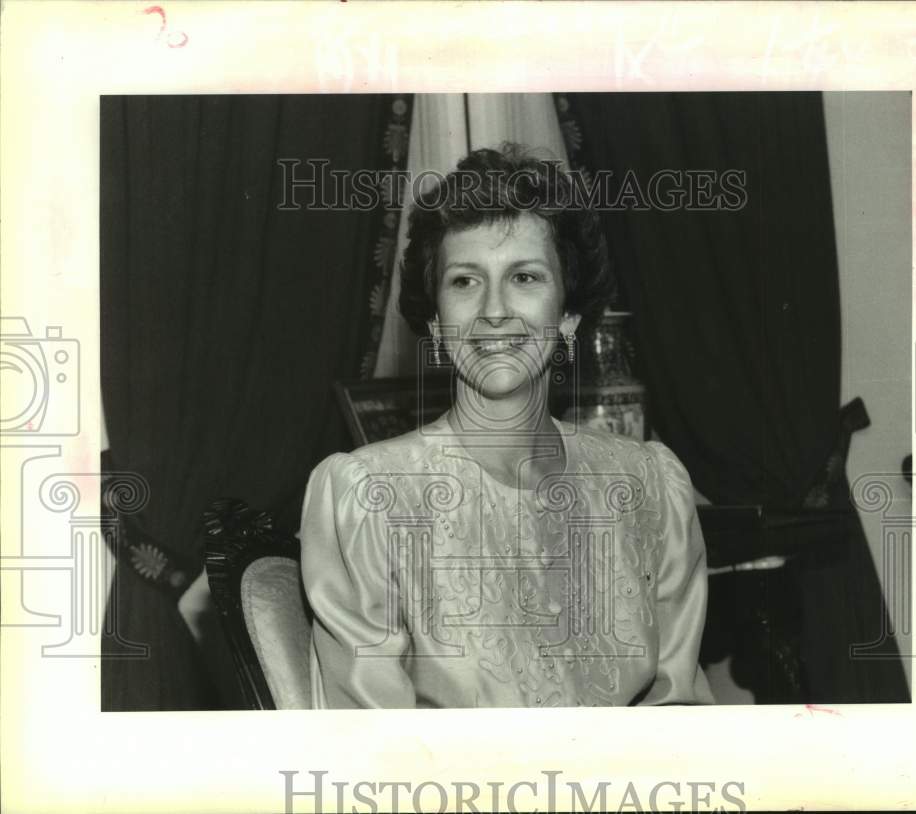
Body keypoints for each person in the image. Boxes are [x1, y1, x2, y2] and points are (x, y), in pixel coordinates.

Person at [300, 144, 714, 708]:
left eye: (524, 277)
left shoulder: (649, 486)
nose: (494, 310)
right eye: (465, 282)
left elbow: (680, 716)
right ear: (435, 322)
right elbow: (377, 751)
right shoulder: (368, 498)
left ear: (568, 316)